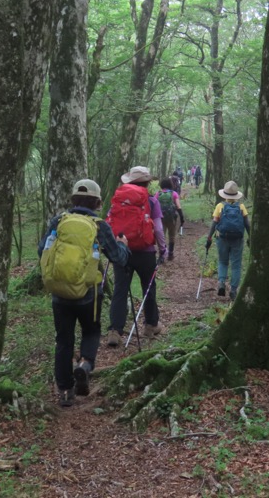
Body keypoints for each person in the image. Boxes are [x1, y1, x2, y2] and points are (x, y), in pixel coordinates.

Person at [38, 179, 130, 407]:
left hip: (59, 291)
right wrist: (123, 245)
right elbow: (118, 257)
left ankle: (65, 391)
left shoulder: (59, 220)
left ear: (73, 200)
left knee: (63, 340)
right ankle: (85, 366)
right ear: (97, 202)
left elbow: (42, 250)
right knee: (91, 331)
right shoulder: (99, 225)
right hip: (89, 294)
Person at [107, 166, 168, 347]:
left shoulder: (118, 200)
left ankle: (115, 331)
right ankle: (151, 325)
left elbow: (110, 224)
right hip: (146, 251)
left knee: (120, 289)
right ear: (147, 183)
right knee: (148, 287)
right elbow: (157, 228)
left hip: (122, 251)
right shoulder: (151, 201)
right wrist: (163, 248)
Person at [205, 180, 251, 300]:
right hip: (237, 239)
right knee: (236, 265)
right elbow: (247, 224)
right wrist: (251, 237)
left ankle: (221, 283)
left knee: (223, 261)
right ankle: (234, 290)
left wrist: (209, 238)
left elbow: (214, 223)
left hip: (222, 238)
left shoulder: (220, 206)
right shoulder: (241, 207)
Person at [156, 177, 184, 261]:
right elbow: (178, 207)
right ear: (170, 184)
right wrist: (182, 218)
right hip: (171, 218)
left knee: (162, 236)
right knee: (172, 235)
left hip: (160, 217)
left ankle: (162, 254)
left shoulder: (158, 194)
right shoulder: (174, 193)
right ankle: (170, 254)